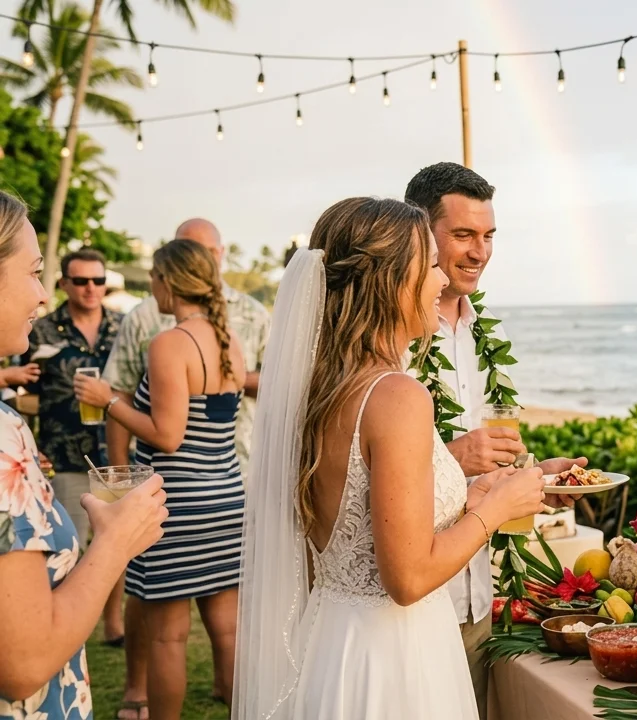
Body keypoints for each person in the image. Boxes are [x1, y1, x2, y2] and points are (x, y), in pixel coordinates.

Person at [233, 197, 548, 719]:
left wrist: (469, 497)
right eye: (431, 265)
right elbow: (407, 579)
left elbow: (359, 518)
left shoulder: (325, 388)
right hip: (393, 659)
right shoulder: (397, 396)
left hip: (333, 643)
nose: (441, 280)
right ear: (392, 281)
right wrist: (496, 510)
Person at [403, 162, 584, 715]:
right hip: (412, 600)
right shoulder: (392, 334)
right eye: (463, 234)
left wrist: (533, 479)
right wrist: (453, 457)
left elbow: (492, 457)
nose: (479, 252)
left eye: (488, 236)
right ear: (419, 233)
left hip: (478, 593)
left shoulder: (489, 331)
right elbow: (358, 472)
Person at [0, 190, 169, 720]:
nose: (40, 295)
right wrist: (117, 541)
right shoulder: (4, 434)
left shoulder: (122, 328)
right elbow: (25, 664)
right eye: (34, 273)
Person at [100, 218, 269, 720]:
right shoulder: (229, 340)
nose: (151, 287)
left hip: (178, 506)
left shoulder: (170, 344)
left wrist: (108, 401)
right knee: (228, 631)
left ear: (169, 282)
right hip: (227, 497)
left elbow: (168, 435)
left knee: (168, 638)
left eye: (154, 278)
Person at [23, 248, 125, 643]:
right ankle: (64, 629)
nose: (90, 288)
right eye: (81, 281)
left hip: (117, 453)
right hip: (65, 453)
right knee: (68, 546)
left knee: (117, 541)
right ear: (64, 283)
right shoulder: (41, 330)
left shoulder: (122, 326)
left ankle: (113, 623)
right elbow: (23, 390)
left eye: (98, 280)